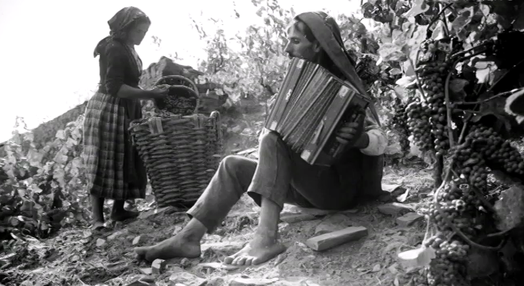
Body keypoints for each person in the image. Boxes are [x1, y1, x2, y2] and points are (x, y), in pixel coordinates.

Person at [135, 11, 387, 265]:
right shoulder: (297, 87)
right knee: (232, 165)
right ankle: (188, 238)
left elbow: (383, 141)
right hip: (305, 187)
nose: (287, 49)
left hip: (337, 191)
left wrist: (359, 140)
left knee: (272, 139)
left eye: (296, 41)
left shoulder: (345, 89)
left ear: (318, 45)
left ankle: (265, 238)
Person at [83, 7, 169, 231]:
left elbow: (130, 85)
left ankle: (118, 211)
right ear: (126, 29)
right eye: (139, 31)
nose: (142, 36)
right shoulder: (114, 48)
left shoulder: (128, 48)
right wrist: (150, 94)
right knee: (104, 158)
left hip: (127, 108)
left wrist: (151, 92)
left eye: (144, 32)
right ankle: (97, 219)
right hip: (109, 108)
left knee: (127, 156)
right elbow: (115, 88)